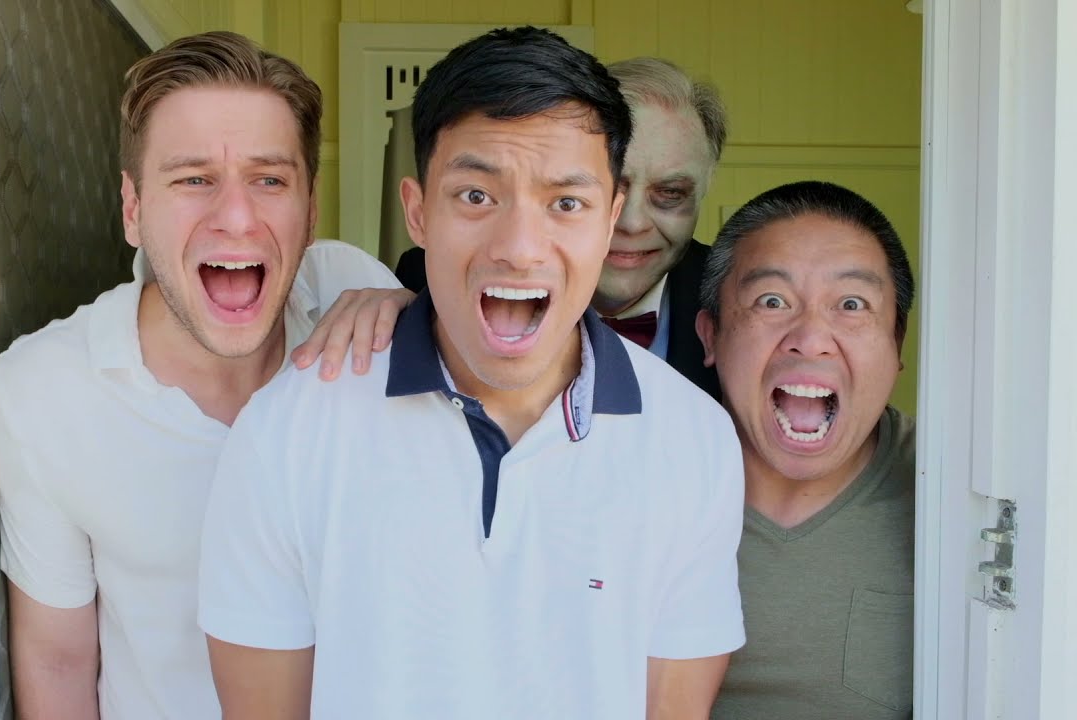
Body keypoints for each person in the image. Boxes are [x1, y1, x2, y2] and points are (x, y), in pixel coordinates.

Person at [198, 27, 746, 719]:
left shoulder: (695, 440)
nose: (519, 248)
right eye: (476, 197)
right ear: (418, 211)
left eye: (566, 203)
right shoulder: (286, 431)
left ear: (609, 222)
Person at [0, 32, 411, 719]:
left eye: (269, 180)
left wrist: (414, 315)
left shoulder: (353, 291)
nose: (236, 219)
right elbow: (57, 660)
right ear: (133, 209)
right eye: (193, 179)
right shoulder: (43, 390)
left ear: (310, 210)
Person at [694, 181, 916, 719]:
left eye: (852, 304)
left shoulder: (957, 492)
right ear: (711, 336)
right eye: (772, 301)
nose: (811, 338)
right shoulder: (637, 480)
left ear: (897, 344)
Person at [394, 56, 727, 400]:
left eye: (670, 194)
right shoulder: (423, 282)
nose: (631, 223)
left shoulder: (733, 295)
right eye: (613, 188)